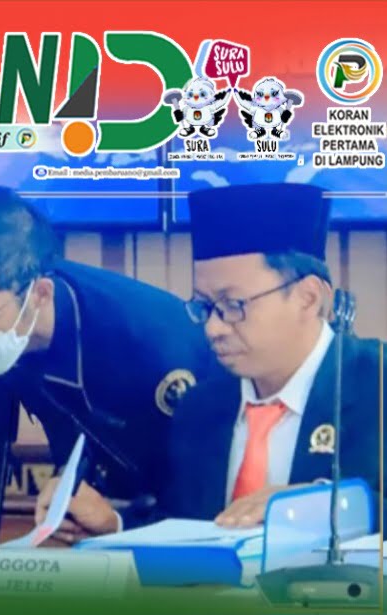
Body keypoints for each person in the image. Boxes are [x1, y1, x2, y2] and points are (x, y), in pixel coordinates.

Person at [0, 187, 222, 539]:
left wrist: (118, 524)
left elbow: (204, 507)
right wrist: (69, 482)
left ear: (40, 294)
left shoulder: (155, 350)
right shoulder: (11, 333)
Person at [161, 183, 383, 528]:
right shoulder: (200, 407)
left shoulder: (377, 383)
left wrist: (323, 505)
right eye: (206, 307)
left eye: (234, 305)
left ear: (308, 298)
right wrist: (113, 523)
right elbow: (176, 525)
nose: (213, 328)